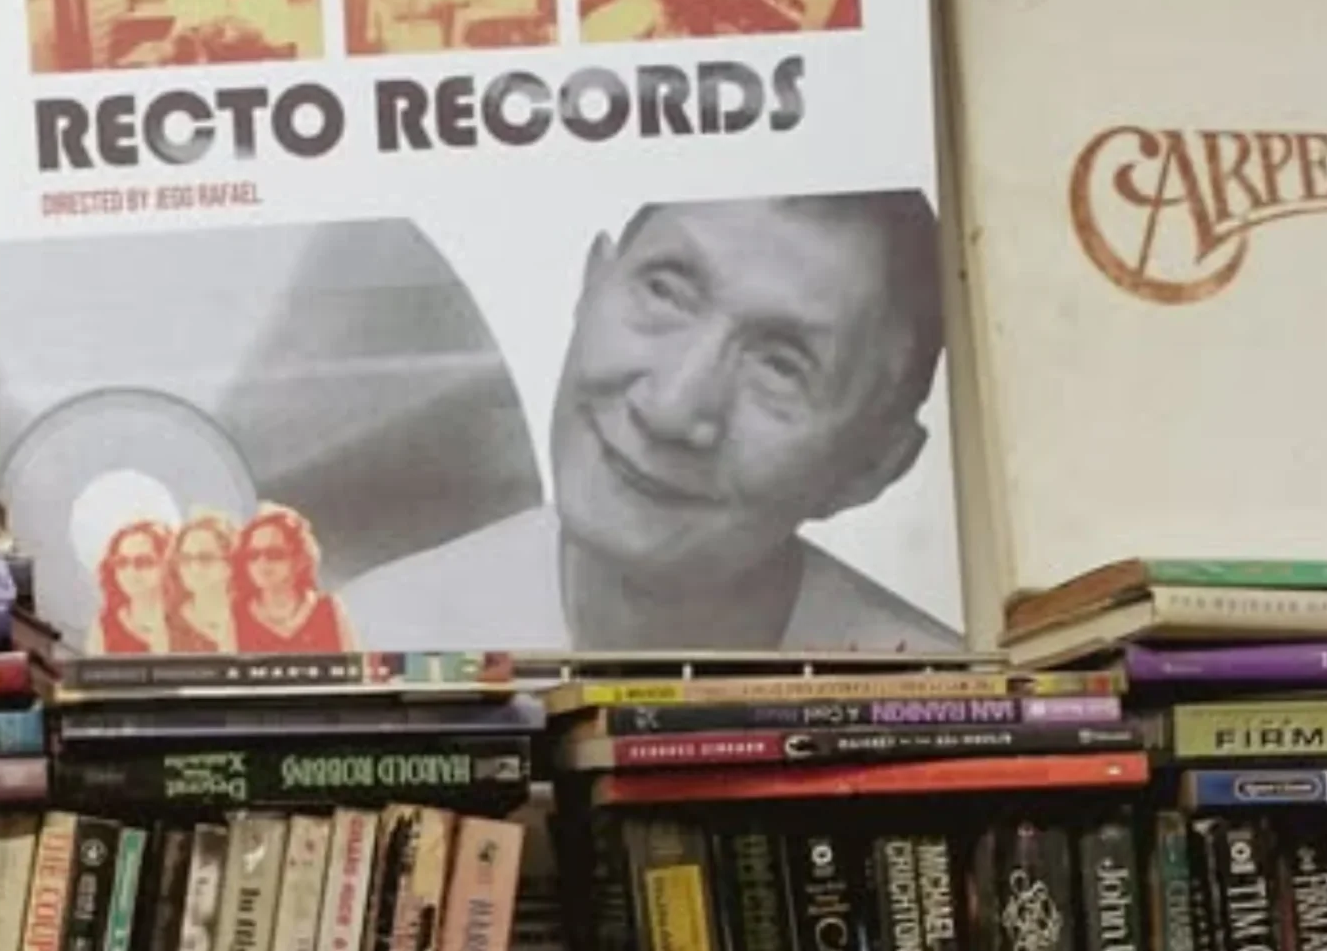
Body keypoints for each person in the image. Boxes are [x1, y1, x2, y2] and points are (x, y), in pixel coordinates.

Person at [338, 191, 958, 651]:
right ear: (589, 287)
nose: (671, 408)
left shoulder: (937, 709)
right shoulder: (370, 638)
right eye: (665, 291)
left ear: (871, 467)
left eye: (780, 365)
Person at [231, 503, 355, 652]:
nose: (262, 563)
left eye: (274, 554)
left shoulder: (329, 609)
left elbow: (352, 664)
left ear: (299, 559)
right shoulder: (236, 616)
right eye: (253, 555)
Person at [90, 519, 174, 653]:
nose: (131, 571)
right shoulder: (105, 625)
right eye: (122, 562)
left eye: (144, 561)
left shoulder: (188, 621)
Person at [167, 510, 240, 652]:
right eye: (186, 559)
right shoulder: (170, 624)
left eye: (205, 558)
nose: (194, 568)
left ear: (229, 564)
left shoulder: (250, 616)